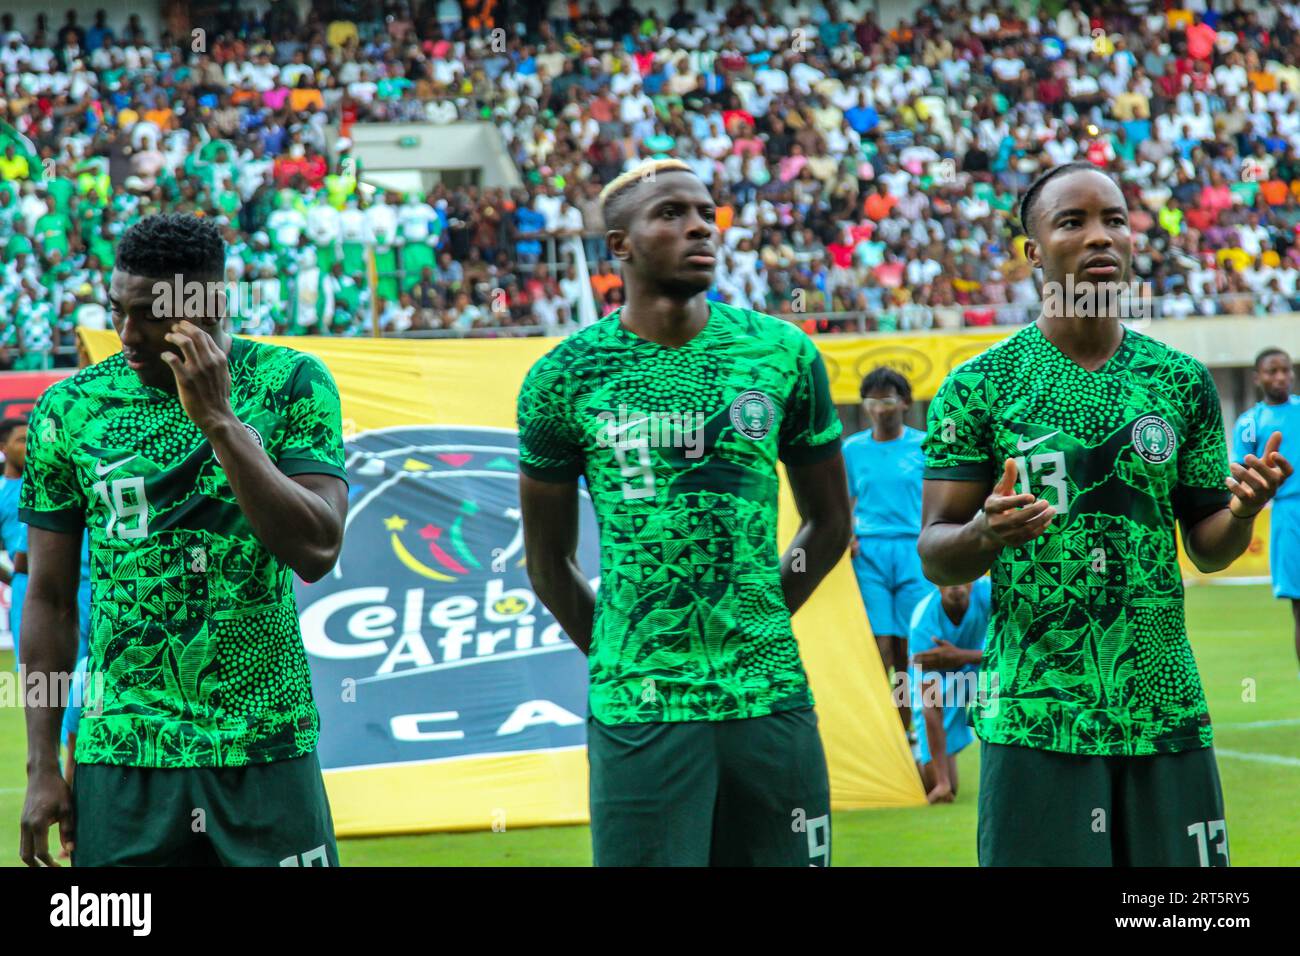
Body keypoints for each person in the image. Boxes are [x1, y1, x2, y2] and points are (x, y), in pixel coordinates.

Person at [918, 162, 1292, 867]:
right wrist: (984, 532)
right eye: (1073, 222)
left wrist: (1242, 513)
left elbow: (1209, 546)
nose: (1101, 237)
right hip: (1036, 711)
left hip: (1165, 708)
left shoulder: (1180, 382)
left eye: (1115, 220)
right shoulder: (977, 388)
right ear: (1032, 252)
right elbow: (936, 552)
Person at [517, 159, 851, 867]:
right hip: (641, 710)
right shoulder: (562, 377)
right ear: (620, 245)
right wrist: (624, 649)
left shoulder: (782, 352)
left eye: (706, 210)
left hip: (770, 698)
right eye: (670, 213)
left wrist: (759, 614)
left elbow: (830, 524)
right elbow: (548, 565)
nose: (700, 225)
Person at [18, 214, 350, 867]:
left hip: (264, 744)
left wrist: (221, 422)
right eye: (117, 309)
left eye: (148, 315)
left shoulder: (291, 385)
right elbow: (49, 600)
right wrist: (41, 765)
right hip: (123, 753)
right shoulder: (71, 408)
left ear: (210, 305)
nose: (126, 334)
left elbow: (316, 549)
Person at [843, 367, 927, 738]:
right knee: (879, 647)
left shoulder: (925, 445)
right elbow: (843, 501)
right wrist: (848, 535)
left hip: (913, 548)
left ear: (905, 403)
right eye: (872, 401)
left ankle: (908, 730)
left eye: (888, 400)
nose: (880, 409)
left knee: (909, 649)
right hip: (869, 554)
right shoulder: (852, 449)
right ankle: (882, 735)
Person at [1233, 348, 1300, 673]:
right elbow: (1238, 475)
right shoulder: (1249, 424)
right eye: (1272, 371)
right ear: (1258, 377)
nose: (1281, 377)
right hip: (1288, 515)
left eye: (1285, 370)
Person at [908, 577, 990, 804]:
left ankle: (1002, 768)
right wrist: (942, 782)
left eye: (962, 576)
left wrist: (961, 656)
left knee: (997, 683)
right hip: (940, 682)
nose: (956, 584)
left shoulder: (989, 593)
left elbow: (1014, 652)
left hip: (979, 667)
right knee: (941, 786)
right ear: (937, 583)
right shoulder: (923, 622)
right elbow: (930, 704)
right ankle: (911, 755)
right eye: (949, 578)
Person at [0, 417, 28, 665]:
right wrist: (14, 577)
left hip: (74, 583)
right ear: (3, 447)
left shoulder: (51, 483)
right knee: (41, 675)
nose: (29, 446)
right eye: (22, 440)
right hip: (27, 586)